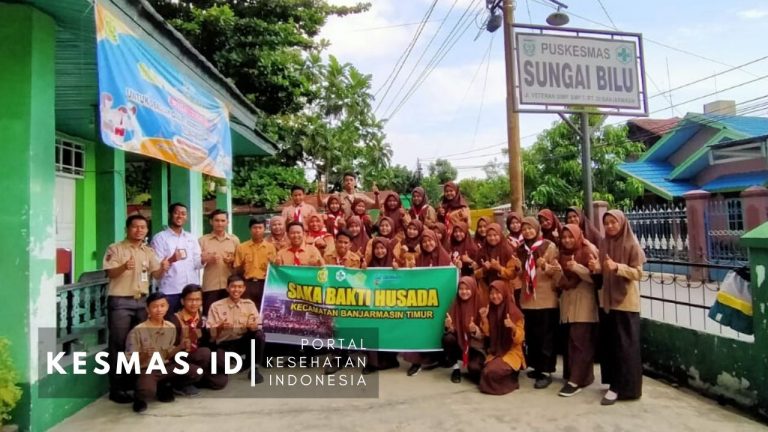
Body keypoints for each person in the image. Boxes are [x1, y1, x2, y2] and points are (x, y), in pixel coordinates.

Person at [103, 215, 167, 404]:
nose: (139, 230)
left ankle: (136, 384)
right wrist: (123, 267)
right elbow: (109, 272)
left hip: (142, 302)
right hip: (121, 302)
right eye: (135, 227)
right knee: (119, 345)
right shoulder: (116, 248)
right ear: (127, 229)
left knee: (140, 345)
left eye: (143, 227)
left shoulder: (147, 251)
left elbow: (155, 274)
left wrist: (163, 267)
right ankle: (117, 388)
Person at [589, 210, 646, 406]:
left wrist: (617, 267)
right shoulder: (604, 243)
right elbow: (604, 267)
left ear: (621, 223)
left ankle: (625, 388)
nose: (610, 226)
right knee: (611, 345)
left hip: (626, 303)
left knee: (626, 347)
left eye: (613, 222)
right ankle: (613, 384)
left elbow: (639, 273)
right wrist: (597, 267)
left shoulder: (632, 244)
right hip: (608, 300)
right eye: (607, 223)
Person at [126, 292, 203, 413]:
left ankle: (166, 386)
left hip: (166, 366)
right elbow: (130, 362)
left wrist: (181, 346)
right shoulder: (138, 330)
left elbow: (168, 354)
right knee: (147, 391)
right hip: (147, 368)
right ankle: (139, 398)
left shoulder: (170, 327)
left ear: (167, 307)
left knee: (196, 372)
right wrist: (144, 354)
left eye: (162, 306)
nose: (159, 310)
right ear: (148, 309)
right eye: (155, 306)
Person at [517, 216, 561, 390]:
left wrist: (545, 267)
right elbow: (519, 271)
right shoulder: (521, 249)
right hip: (528, 298)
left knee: (545, 337)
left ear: (537, 229)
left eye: (530, 228)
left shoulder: (548, 246)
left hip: (545, 298)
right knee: (533, 336)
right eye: (524, 229)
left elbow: (556, 272)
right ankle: (536, 367)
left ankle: (546, 372)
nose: (527, 231)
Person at [404, 229, 455, 376]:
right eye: (424, 242)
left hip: (441, 302)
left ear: (436, 241)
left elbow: (451, 279)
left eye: (430, 240)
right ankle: (417, 361)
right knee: (419, 328)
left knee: (440, 329)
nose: (427, 244)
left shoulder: (445, 257)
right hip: (423, 302)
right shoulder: (419, 258)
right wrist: (411, 270)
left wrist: (456, 267)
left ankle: (440, 358)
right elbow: (414, 280)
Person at [557, 224, 599, 397]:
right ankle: (579, 376)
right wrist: (556, 272)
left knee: (580, 341)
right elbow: (560, 281)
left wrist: (577, 268)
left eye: (570, 237)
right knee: (573, 341)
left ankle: (577, 380)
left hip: (584, 302)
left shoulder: (587, 252)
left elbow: (596, 278)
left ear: (578, 236)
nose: (567, 240)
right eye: (564, 237)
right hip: (568, 302)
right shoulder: (562, 254)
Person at [168, 284, 228, 394]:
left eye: (197, 300)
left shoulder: (201, 317)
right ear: (182, 301)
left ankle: (196, 378)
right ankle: (180, 383)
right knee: (204, 353)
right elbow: (169, 351)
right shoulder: (174, 320)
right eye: (190, 300)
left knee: (220, 381)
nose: (194, 303)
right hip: (179, 358)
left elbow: (208, 341)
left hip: (198, 359)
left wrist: (218, 330)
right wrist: (182, 344)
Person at [208, 275, 266, 384]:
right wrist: (220, 327)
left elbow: (258, 325)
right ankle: (240, 363)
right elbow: (211, 337)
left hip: (242, 341)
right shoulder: (216, 306)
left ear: (244, 288)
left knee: (259, 335)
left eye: (240, 287)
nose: (236, 290)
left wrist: (253, 326)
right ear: (227, 288)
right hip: (224, 344)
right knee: (221, 368)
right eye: (233, 287)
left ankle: (254, 369)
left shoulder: (249, 304)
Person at [151, 202, 203, 315]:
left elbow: (197, 264)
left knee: (192, 327)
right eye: (176, 213)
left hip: (191, 290)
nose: (180, 216)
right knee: (171, 326)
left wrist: (204, 259)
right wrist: (172, 259)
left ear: (186, 217)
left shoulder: (191, 237)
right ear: (170, 215)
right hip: (171, 290)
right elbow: (157, 266)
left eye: (183, 214)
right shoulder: (160, 238)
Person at [478, 281, 525, 395]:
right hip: (496, 352)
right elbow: (487, 334)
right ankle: (506, 375)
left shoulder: (514, 312)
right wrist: (484, 318)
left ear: (504, 293)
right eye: (492, 293)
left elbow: (520, 338)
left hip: (511, 352)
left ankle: (512, 379)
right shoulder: (491, 310)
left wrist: (513, 327)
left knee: (489, 372)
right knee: (476, 369)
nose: (494, 296)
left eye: (498, 293)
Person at [443, 276, 486, 384]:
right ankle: (456, 368)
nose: (464, 292)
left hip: (474, 347)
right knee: (448, 338)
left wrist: (475, 330)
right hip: (459, 344)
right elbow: (452, 331)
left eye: (467, 289)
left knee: (475, 370)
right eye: (461, 289)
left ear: (473, 289)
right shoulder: (455, 304)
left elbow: (486, 334)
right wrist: (449, 327)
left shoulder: (480, 305)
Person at [199, 209, 240, 315]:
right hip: (210, 286)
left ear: (227, 222)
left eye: (223, 220)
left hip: (230, 287)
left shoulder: (234, 240)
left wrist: (232, 261)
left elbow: (239, 263)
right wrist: (206, 259)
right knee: (210, 317)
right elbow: (196, 263)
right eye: (216, 220)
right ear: (211, 222)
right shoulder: (203, 241)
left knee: (231, 316)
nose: (220, 223)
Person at [472, 223, 520, 305]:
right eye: (489, 236)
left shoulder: (507, 250)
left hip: (504, 289)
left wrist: (499, 268)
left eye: (495, 235)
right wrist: (484, 269)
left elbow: (512, 274)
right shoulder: (481, 252)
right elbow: (475, 274)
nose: (492, 238)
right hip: (486, 290)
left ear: (500, 235)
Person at [234, 217, 277, 308]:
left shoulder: (271, 247)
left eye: (260, 228)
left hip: (265, 284)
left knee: (264, 310)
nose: (257, 230)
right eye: (254, 228)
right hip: (247, 284)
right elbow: (237, 268)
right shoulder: (241, 247)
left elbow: (274, 267)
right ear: (250, 229)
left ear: (264, 229)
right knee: (247, 311)